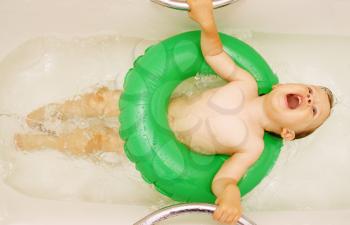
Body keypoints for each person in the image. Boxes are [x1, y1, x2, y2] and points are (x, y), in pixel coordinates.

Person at [14, 0, 334, 224]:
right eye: (308, 91)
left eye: (313, 109)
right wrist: (207, 22)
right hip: (158, 104)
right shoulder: (246, 82)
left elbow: (225, 178)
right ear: (279, 87)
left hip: (162, 145)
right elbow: (214, 53)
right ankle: (51, 113)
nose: (307, 99)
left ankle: (40, 143)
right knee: (99, 101)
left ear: (287, 133)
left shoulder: (253, 145)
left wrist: (231, 197)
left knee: (96, 140)